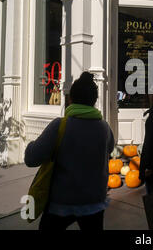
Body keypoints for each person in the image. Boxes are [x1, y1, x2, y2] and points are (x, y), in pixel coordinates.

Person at [25, 72, 115, 230]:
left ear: (70, 99)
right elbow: (110, 149)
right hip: (94, 203)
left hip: (61, 205)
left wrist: (31, 144)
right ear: (94, 101)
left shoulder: (59, 126)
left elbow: (31, 158)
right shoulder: (105, 128)